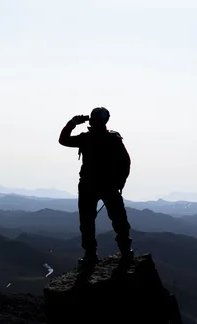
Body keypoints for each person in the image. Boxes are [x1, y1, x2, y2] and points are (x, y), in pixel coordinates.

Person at [58, 107, 134, 266]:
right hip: (109, 185)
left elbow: (63, 140)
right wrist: (120, 182)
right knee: (118, 218)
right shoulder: (113, 139)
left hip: (88, 185)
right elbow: (126, 162)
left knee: (87, 221)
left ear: (91, 120)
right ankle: (125, 250)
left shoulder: (86, 138)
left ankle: (90, 254)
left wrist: (72, 123)